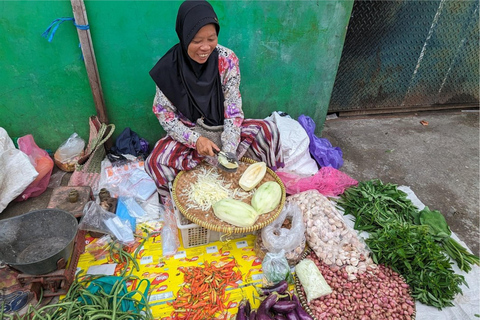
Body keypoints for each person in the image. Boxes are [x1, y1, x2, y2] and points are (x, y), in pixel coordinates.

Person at [145, 0, 284, 200]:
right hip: (191, 132)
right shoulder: (168, 69)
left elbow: (234, 111)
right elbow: (165, 116)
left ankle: (264, 189)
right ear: (184, 38)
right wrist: (196, 141)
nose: (205, 47)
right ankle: (180, 203)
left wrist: (228, 150)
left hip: (224, 129)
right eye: (196, 41)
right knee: (156, 161)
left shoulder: (226, 60)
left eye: (211, 38)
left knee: (268, 132)